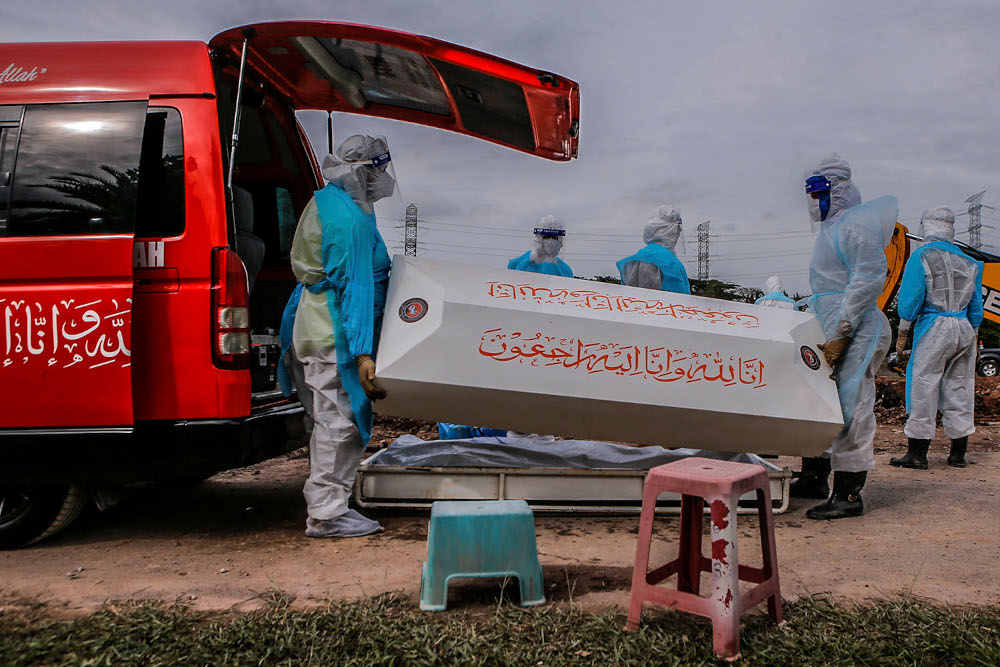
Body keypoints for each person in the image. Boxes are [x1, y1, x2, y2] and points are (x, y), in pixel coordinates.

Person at [277, 135, 395, 538]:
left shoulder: (331, 201)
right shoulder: (349, 222)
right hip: (334, 331)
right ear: (363, 171)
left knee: (330, 418)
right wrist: (363, 354)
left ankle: (333, 502)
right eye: (378, 170)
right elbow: (356, 286)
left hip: (316, 324)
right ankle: (326, 513)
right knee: (339, 421)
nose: (383, 178)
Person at [793, 153, 896, 520]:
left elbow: (867, 279)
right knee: (824, 401)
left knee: (852, 406)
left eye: (818, 193)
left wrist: (843, 331)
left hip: (857, 329)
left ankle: (849, 494)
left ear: (835, 191)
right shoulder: (831, 231)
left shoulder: (854, 227)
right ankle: (814, 477)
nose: (812, 203)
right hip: (835, 326)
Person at [891, 207, 983, 470]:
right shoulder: (969, 262)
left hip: (934, 327)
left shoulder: (921, 256)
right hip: (964, 327)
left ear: (926, 226)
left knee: (924, 384)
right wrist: (972, 331)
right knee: (961, 386)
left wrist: (903, 332)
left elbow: (911, 298)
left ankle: (917, 454)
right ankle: (958, 454)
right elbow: (976, 307)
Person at [616, 205, 690, 293]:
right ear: (671, 230)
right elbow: (679, 300)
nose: (677, 235)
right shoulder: (670, 263)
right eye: (677, 231)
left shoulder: (631, 262)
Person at [508, 216, 574, 277]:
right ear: (538, 238)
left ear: (559, 241)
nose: (550, 241)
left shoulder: (565, 270)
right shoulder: (518, 263)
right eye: (546, 237)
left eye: (554, 237)